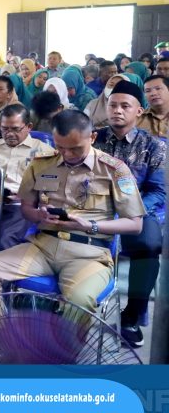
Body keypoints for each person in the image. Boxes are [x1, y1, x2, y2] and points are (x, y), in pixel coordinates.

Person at [0, 110, 145, 338]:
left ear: (92, 137)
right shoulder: (41, 164)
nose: (67, 154)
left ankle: (65, 352)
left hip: (89, 253)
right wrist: (39, 215)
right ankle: (0, 336)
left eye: (75, 148)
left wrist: (89, 226)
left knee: (79, 299)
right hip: (42, 247)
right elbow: (26, 209)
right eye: (60, 147)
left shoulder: (114, 170)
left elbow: (135, 224)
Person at [93, 80, 165, 347]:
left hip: (139, 209)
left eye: (125, 106)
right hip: (94, 206)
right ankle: (68, 303)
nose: (118, 110)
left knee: (149, 244)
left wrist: (130, 212)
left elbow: (158, 191)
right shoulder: (92, 139)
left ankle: (131, 317)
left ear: (139, 111)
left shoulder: (154, 146)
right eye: (113, 105)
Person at [0, 104, 53, 250]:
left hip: (20, 207)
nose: (9, 134)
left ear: (29, 126)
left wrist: (29, 197)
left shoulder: (45, 152)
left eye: (15, 129)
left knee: (5, 239)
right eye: (4, 129)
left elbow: (49, 190)